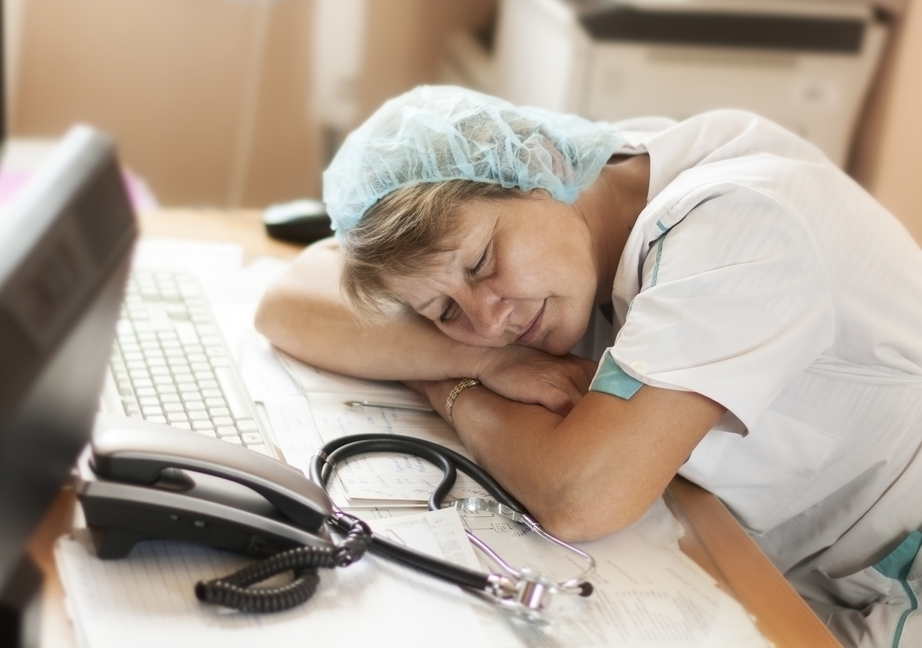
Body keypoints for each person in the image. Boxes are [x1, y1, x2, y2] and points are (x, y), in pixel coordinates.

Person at [255, 85, 922, 648]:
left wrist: (451, 387)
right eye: (443, 311)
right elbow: (290, 296)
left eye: (483, 263)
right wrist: (489, 360)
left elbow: (579, 494)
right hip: (773, 563)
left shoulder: (738, 227)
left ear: (538, 166)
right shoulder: (596, 182)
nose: (488, 319)